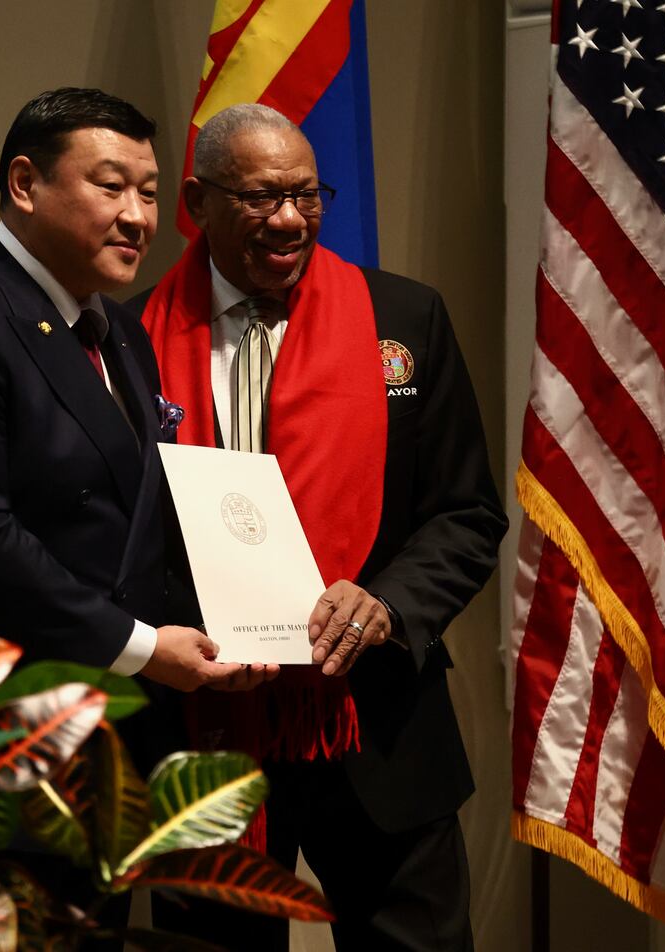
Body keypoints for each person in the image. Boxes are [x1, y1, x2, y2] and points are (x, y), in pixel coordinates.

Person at [136, 103, 508, 951]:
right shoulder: (129, 339)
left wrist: (387, 603)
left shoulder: (404, 320)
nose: (292, 220)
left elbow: (467, 511)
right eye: (263, 198)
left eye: (308, 195)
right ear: (197, 202)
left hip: (375, 722)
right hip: (207, 727)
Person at [0, 88, 245, 774]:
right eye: (111, 186)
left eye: (150, 194)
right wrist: (143, 648)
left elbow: (132, 524)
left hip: (100, 739)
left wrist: (241, 619)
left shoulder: (121, 331)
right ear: (25, 184)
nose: (137, 217)